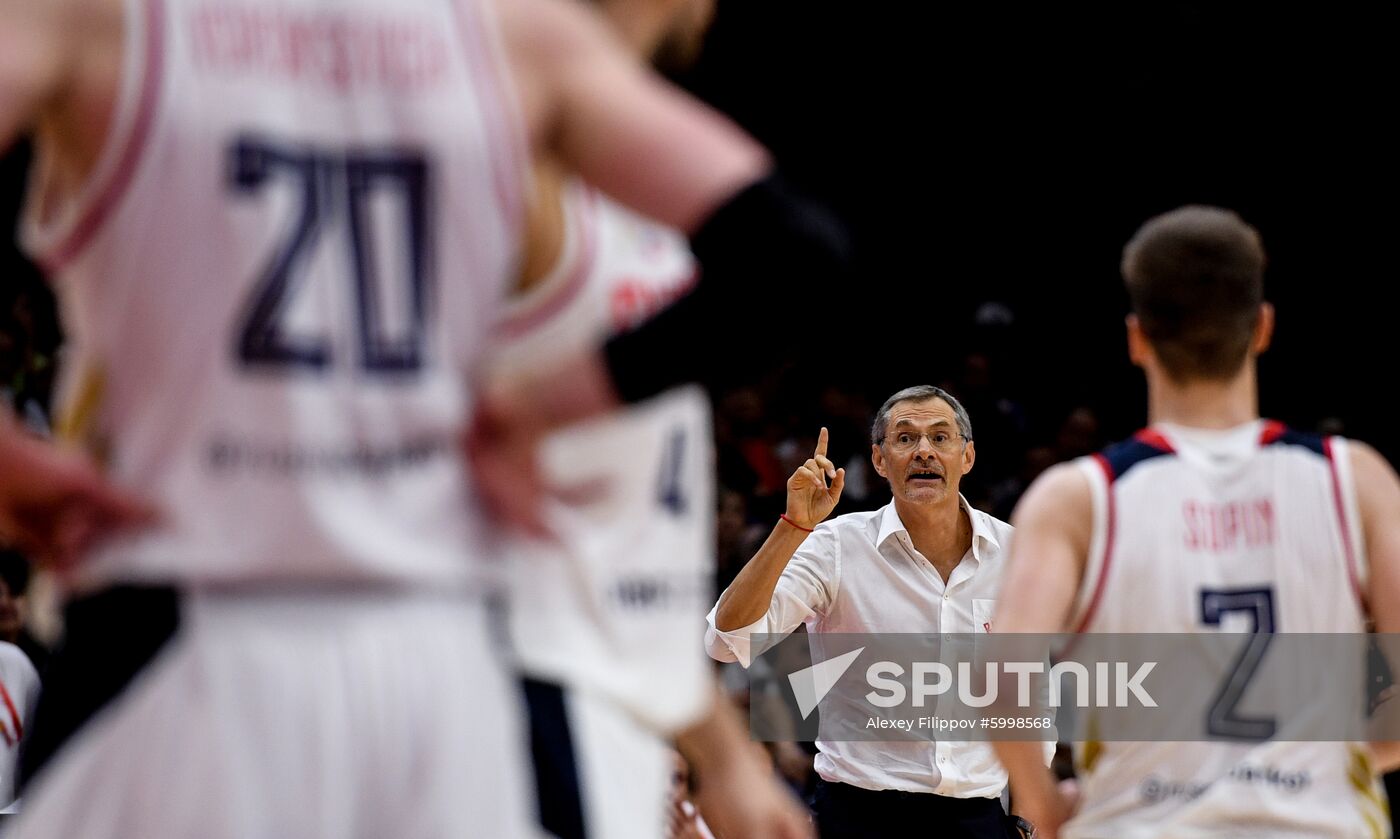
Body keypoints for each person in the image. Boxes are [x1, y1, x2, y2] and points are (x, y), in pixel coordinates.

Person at [0, 0, 847, 835]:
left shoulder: (94, 21)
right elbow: (792, 251)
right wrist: (539, 410)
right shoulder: (513, 43)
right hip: (444, 672)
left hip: (181, 628)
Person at [491, 1, 808, 836]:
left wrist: (722, 752)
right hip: (512, 678)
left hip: (614, 694)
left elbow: (622, 547)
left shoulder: (643, 172)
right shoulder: (504, 153)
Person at [990, 205, 1400, 838]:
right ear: (1262, 328)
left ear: (1137, 338)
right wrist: (1329, 767)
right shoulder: (1356, 480)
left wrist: (1043, 807)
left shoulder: (1078, 497)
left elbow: (1001, 680)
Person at [706, 385, 1046, 838]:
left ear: (967, 457)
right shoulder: (835, 546)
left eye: (940, 438)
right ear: (880, 461)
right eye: (905, 438)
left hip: (980, 817)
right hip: (860, 814)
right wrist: (793, 528)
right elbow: (727, 642)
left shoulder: (1017, 554)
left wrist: (1027, 823)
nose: (924, 451)